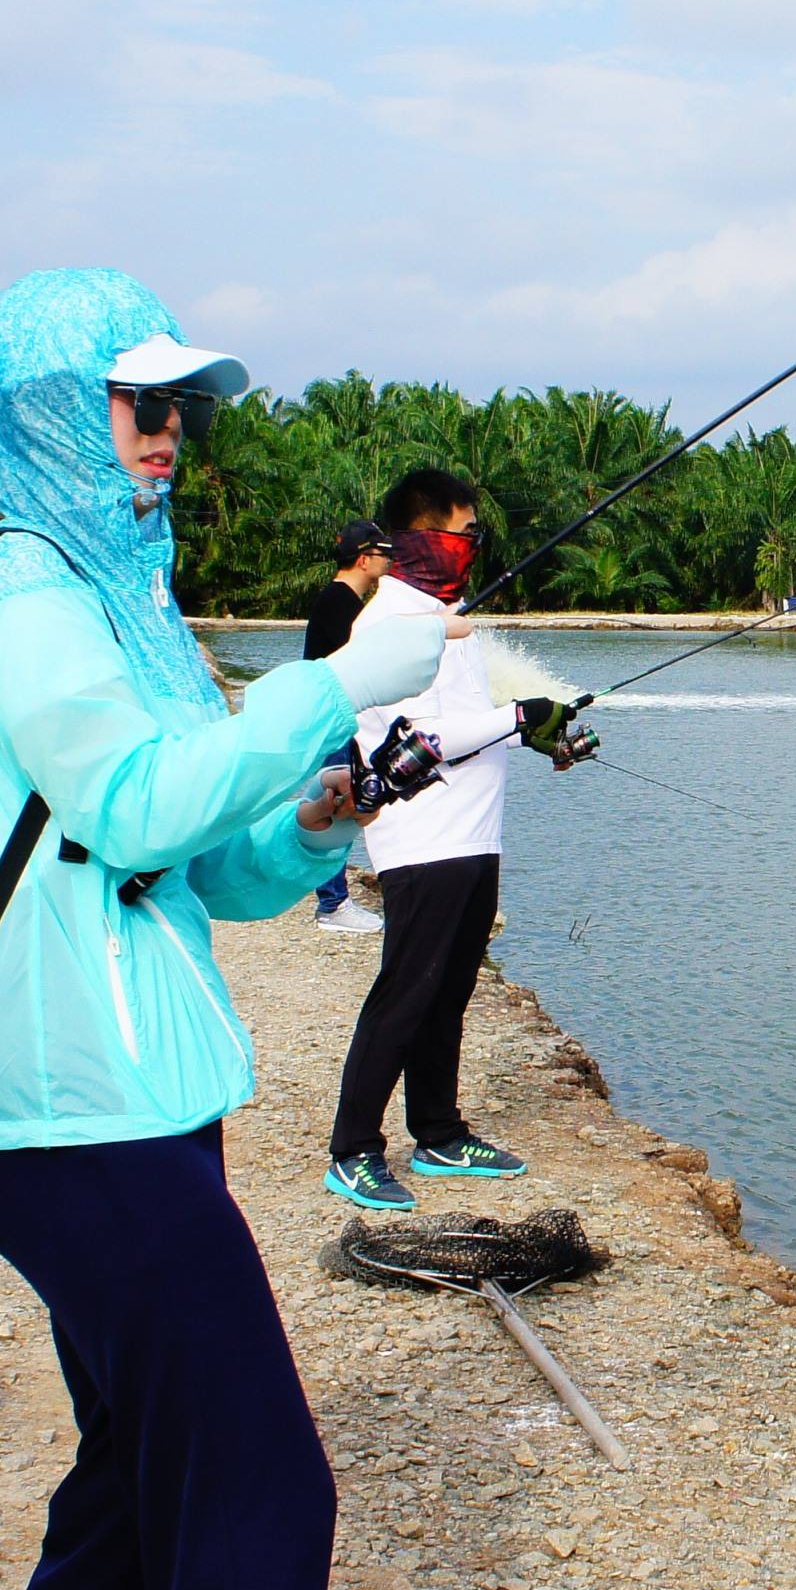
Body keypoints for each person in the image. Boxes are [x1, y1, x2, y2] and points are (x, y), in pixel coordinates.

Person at [0, 267, 445, 1590]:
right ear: (61, 411)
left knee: (144, 1481)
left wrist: (317, 814)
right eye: (140, 407)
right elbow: (129, 803)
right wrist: (337, 678)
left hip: (141, 1116)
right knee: (261, 1481)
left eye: (182, 408)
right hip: (78, 1136)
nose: (170, 437)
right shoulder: (21, 601)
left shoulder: (121, 606)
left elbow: (206, 874)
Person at [321, 467, 593, 1212]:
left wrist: (538, 731)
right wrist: (516, 715)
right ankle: (352, 1150)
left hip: (475, 838)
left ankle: (438, 1130)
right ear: (415, 539)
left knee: (450, 993)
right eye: (460, 533)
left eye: (474, 534)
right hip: (423, 840)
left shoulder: (450, 619)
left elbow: (470, 715)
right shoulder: (386, 628)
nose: (471, 546)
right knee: (404, 994)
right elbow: (425, 736)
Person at [305, 521, 393, 932]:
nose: (389, 561)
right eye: (383, 553)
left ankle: (334, 901)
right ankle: (333, 905)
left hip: (337, 721)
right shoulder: (341, 605)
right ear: (364, 558)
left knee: (343, 805)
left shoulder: (342, 602)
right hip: (332, 723)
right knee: (337, 807)